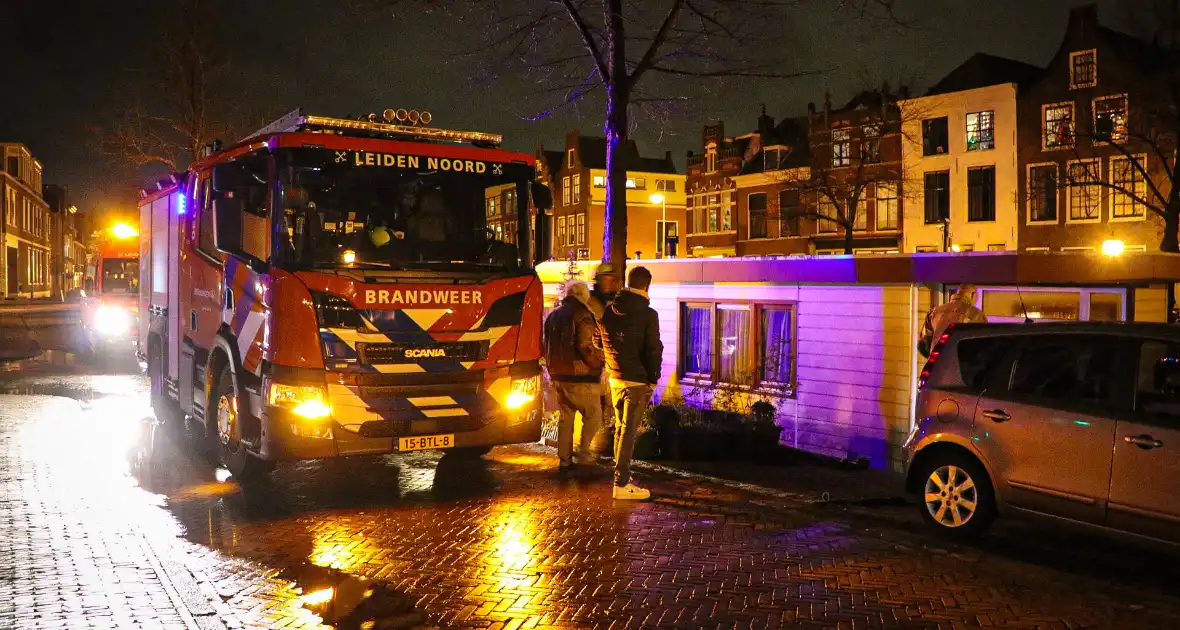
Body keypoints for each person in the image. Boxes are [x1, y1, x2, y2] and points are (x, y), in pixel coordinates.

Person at [599, 266, 662, 500]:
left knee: (620, 430)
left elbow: (600, 341)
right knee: (628, 432)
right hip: (637, 381)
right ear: (646, 286)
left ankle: (622, 478)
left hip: (615, 378)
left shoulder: (610, 311)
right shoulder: (648, 315)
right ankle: (621, 483)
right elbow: (653, 350)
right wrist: (653, 378)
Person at [542, 280, 605, 472]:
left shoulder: (553, 316)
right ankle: (584, 452)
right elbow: (585, 346)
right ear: (582, 295)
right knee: (594, 416)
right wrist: (598, 363)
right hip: (581, 376)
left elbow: (546, 344)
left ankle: (564, 459)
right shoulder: (583, 315)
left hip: (558, 376)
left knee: (566, 418)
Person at [586, 263, 620, 459]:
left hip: (607, 365)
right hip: (595, 365)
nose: (614, 283)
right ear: (600, 280)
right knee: (594, 409)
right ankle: (591, 448)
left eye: (615, 279)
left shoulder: (610, 302)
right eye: (610, 279)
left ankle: (599, 446)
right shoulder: (593, 304)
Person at [918, 284, 987, 357]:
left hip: (937, 360)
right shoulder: (976, 314)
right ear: (973, 294)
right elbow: (982, 343)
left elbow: (924, 341)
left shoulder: (935, 311)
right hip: (960, 361)